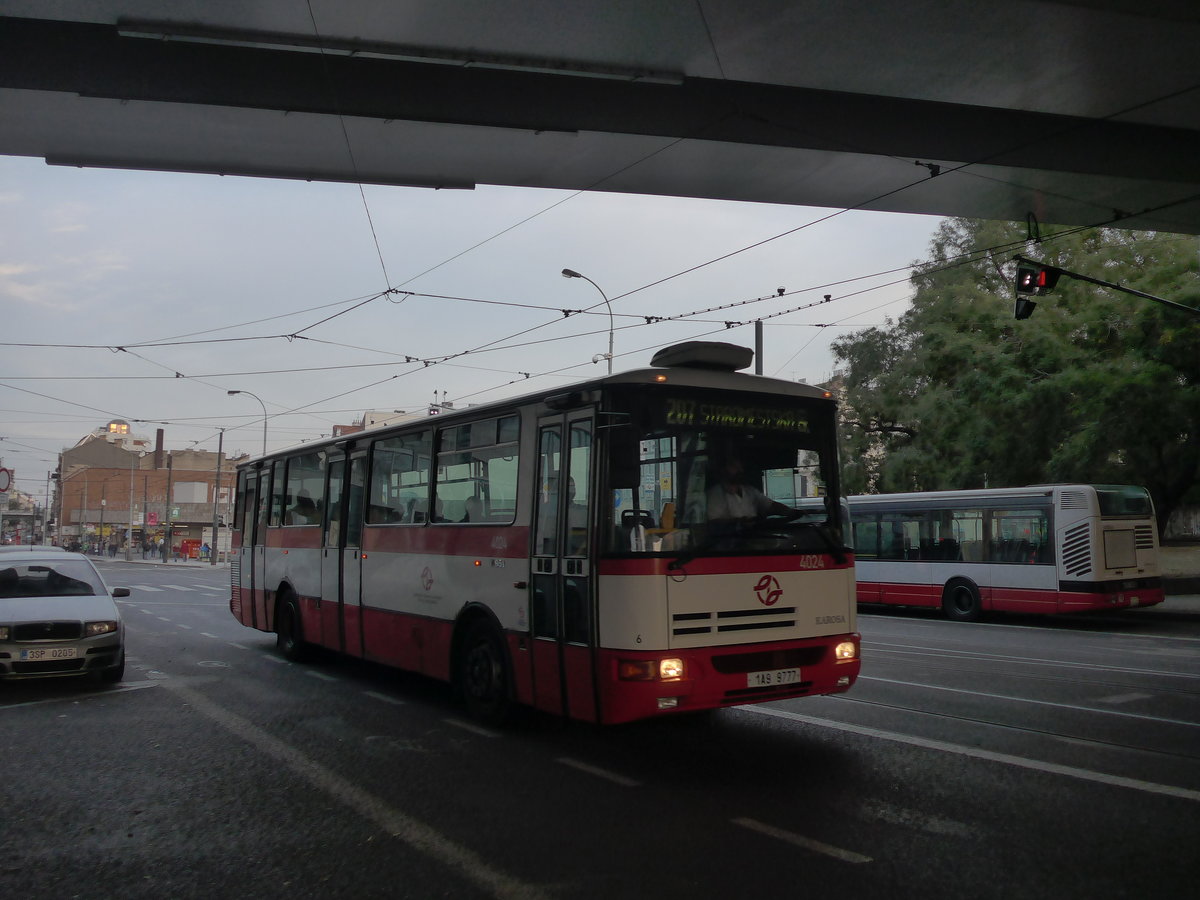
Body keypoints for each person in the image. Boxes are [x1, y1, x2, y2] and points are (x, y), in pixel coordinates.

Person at [705, 458, 794, 521]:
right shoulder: (715, 494)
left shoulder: (749, 491)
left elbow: (770, 505)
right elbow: (713, 523)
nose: (740, 470)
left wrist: (791, 512)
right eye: (734, 467)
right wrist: (739, 522)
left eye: (740, 467)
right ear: (723, 470)